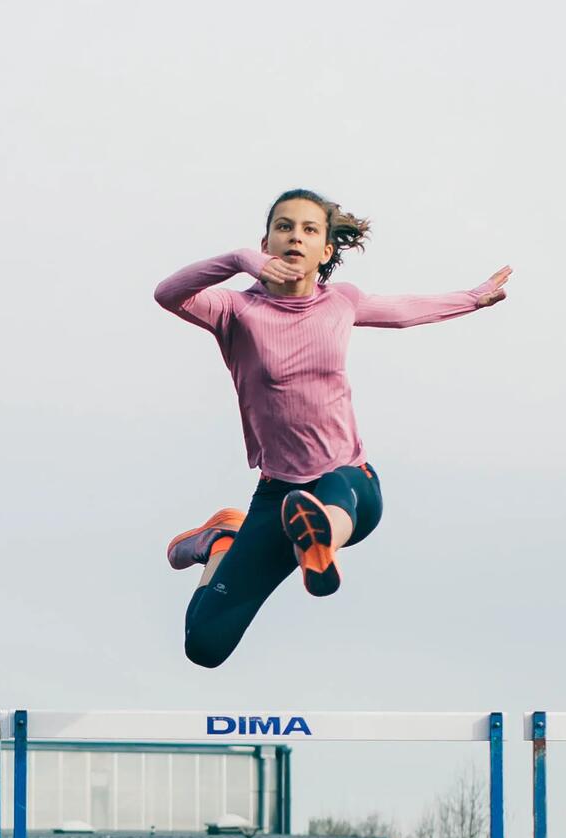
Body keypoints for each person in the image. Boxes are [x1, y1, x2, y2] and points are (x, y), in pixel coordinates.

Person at [155, 188, 510, 667]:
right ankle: (224, 541)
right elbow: (168, 294)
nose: (294, 237)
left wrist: (473, 298)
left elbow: (404, 312)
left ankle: (322, 540)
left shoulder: (340, 301)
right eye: (284, 227)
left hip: (350, 484)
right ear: (266, 245)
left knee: (338, 484)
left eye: (308, 229)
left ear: (325, 251)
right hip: (277, 496)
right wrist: (238, 260)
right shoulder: (235, 312)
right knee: (205, 646)